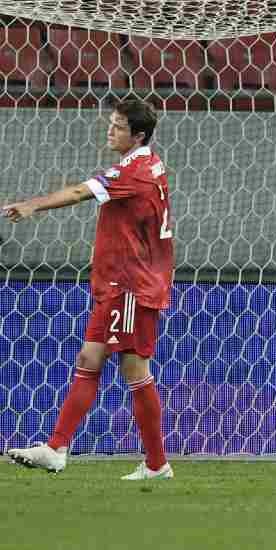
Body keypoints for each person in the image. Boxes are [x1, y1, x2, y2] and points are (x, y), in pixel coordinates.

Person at [4, 99, 174, 480]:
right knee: (89, 359)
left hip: (132, 285)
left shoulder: (136, 170)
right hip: (120, 283)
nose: (110, 131)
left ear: (138, 135)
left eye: (117, 126)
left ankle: (157, 463)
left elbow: (82, 192)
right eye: (110, 124)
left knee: (134, 369)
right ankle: (56, 448)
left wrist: (33, 206)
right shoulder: (148, 163)